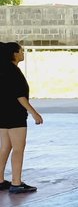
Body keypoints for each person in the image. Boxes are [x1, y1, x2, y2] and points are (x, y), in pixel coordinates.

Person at [0, 42, 43, 194]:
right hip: (15, 115)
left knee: (5, 147)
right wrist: (34, 113)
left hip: (3, 114)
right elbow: (20, 96)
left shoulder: (3, 69)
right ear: (14, 54)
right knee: (18, 149)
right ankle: (16, 183)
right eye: (21, 51)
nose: (23, 53)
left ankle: (0, 180)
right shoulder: (13, 71)